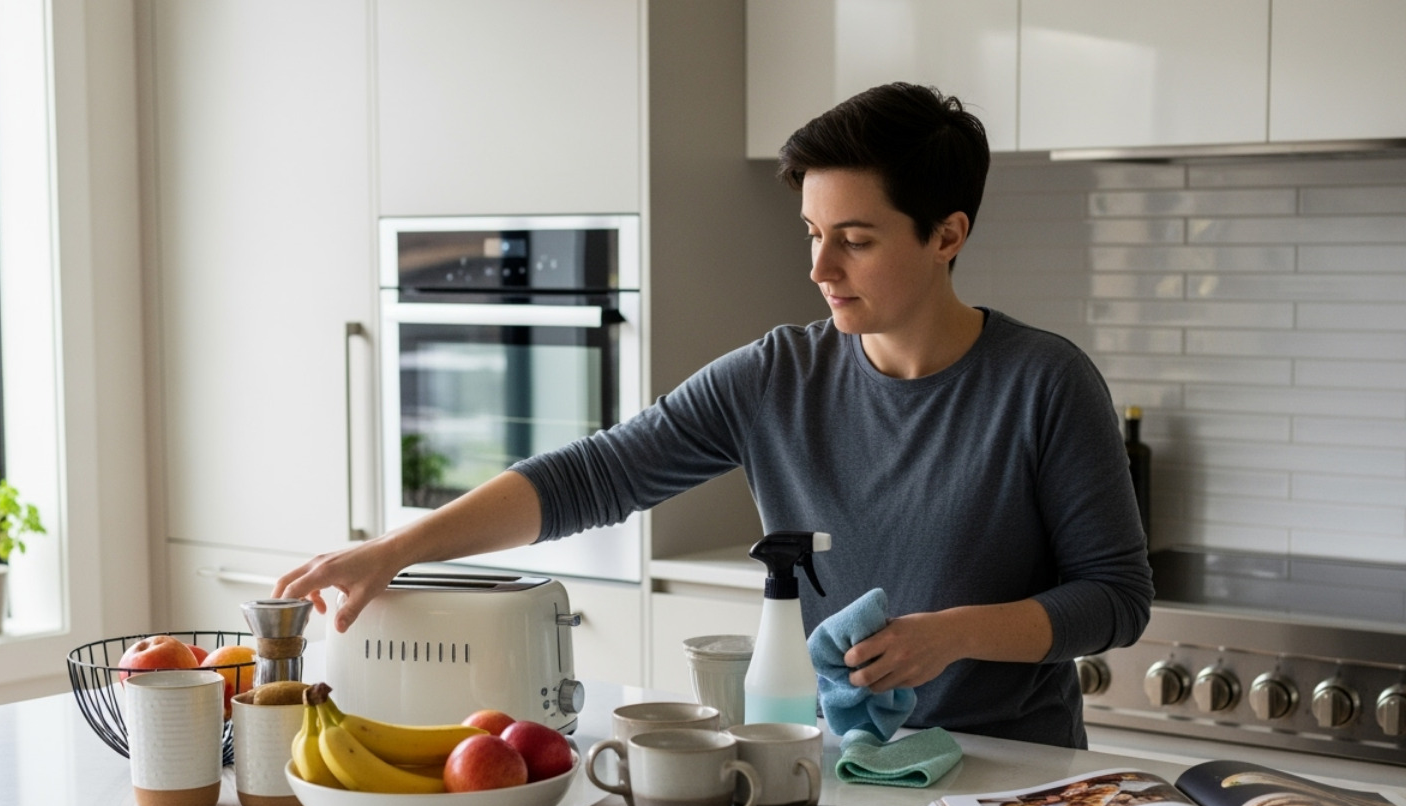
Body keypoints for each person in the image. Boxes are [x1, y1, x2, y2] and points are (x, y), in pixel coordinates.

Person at [274, 82, 1152, 749]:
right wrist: (398, 548)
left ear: (947, 234)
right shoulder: (778, 375)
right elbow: (596, 475)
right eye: (811, 231)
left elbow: (1114, 600)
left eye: (856, 238)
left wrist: (952, 636)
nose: (820, 266)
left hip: (1006, 776)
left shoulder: (1044, 384)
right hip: (831, 766)